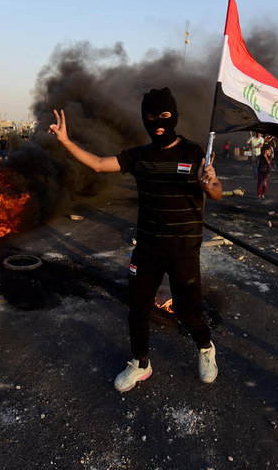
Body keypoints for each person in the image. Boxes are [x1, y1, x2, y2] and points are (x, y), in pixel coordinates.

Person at [48, 87, 222, 392]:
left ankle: (206, 349)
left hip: (183, 249)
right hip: (148, 249)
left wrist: (211, 185)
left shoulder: (195, 153)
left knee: (188, 310)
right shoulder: (140, 156)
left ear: (174, 116)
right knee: (138, 308)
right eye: (151, 116)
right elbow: (99, 164)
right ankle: (141, 363)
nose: (158, 122)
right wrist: (65, 141)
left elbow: (216, 191)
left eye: (164, 116)